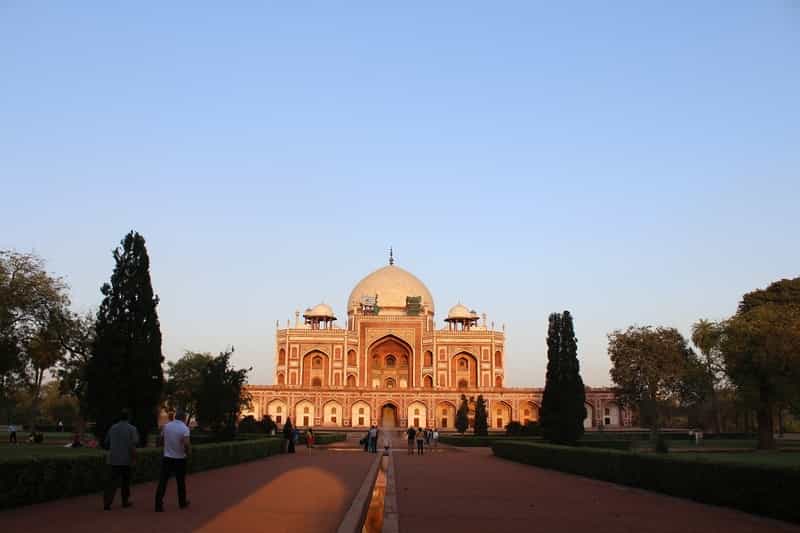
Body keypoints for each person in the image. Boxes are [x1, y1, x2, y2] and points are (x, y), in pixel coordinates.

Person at [155, 410, 191, 512]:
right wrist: (188, 454)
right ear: (183, 418)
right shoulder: (185, 428)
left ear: (176, 417)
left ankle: (158, 504)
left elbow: (160, 440)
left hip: (167, 457)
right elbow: (187, 444)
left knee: (163, 481)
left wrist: (163, 447)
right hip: (180, 459)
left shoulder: (167, 426)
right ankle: (182, 502)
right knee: (180, 482)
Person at [103, 410, 138, 510]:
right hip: (126, 459)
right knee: (126, 482)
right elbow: (133, 445)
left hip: (113, 458)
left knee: (111, 482)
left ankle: (107, 502)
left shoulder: (113, 428)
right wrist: (134, 458)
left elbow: (106, 442)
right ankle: (125, 501)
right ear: (129, 418)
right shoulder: (132, 429)